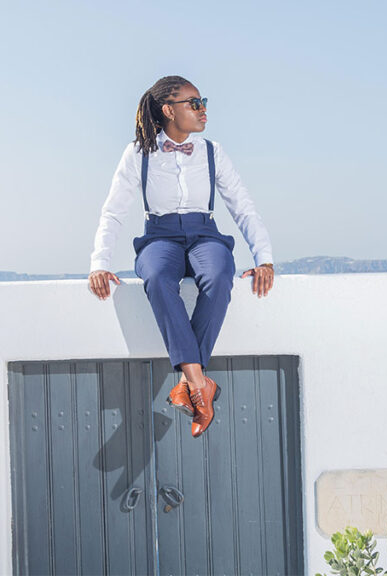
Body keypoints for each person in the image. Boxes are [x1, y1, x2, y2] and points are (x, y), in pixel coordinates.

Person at [88, 75, 274, 438]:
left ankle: (191, 386)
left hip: (205, 233)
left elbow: (243, 208)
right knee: (156, 278)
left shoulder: (212, 151)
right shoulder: (138, 153)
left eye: (203, 101)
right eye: (194, 103)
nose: (203, 109)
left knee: (219, 275)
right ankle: (199, 383)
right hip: (160, 236)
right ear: (168, 110)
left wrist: (264, 257)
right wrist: (100, 263)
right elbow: (113, 212)